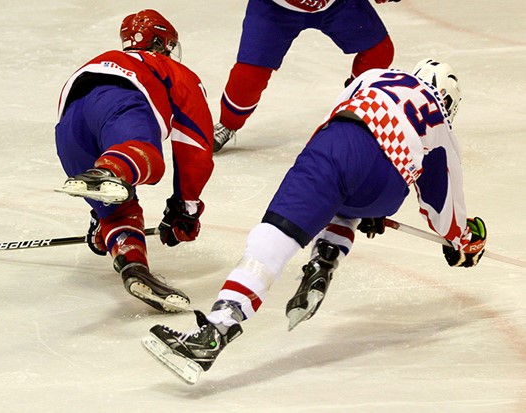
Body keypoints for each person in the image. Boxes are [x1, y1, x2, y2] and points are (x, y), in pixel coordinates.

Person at [142, 59, 488, 384]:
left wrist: (310, 181)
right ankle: (325, 261)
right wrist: (462, 241)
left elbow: (333, 118)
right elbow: (442, 204)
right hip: (387, 187)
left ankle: (215, 330)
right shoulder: (441, 125)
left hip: (340, 143)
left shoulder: (376, 76)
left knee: (273, 239)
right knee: (349, 203)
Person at [54, 9, 214, 313]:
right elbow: (195, 144)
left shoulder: (104, 59)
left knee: (118, 212)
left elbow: (79, 107)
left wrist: (99, 212)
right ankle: (106, 173)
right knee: (147, 158)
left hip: (68, 128)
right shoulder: (169, 68)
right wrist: (186, 208)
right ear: (162, 43)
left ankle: (134, 268)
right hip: (121, 102)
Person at [213, 0, 401, 152]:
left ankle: (354, 108)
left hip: (336, 5)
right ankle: (228, 124)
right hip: (276, 8)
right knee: (249, 75)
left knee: (379, 51)